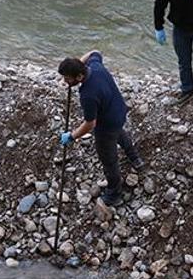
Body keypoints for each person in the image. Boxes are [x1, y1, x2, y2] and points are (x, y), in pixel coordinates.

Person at [57, 50, 144, 207]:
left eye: (67, 79)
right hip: (119, 111)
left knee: (109, 160)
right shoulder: (95, 67)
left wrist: (71, 136)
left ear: (79, 77)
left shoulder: (88, 95)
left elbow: (90, 124)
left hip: (107, 125)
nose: (65, 81)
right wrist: (77, 64)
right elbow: (94, 52)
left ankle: (114, 194)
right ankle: (135, 159)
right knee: (120, 133)